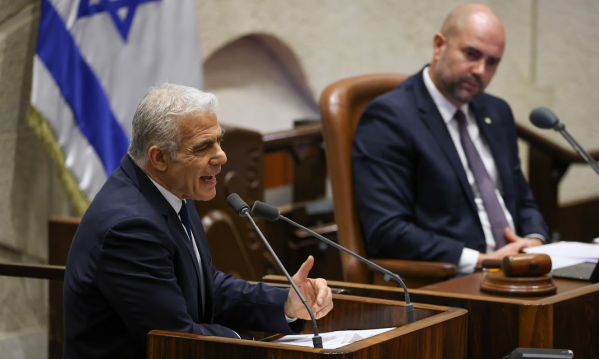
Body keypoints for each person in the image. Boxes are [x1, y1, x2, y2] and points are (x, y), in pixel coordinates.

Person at [63, 84, 333, 359]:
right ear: (159, 157)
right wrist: (249, 344)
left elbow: (204, 286)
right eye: (204, 147)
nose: (222, 157)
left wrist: (287, 304)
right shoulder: (131, 227)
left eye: (219, 141)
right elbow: (176, 339)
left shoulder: (170, 192)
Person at [352, 3, 548, 274]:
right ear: (439, 46)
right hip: (452, 281)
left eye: (492, 62)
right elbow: (388, 231)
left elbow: (522, 200)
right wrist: (482, 261)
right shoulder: (390, 118)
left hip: (521, 269)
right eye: (472, 54)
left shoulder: (496, 111)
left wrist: (535, 242)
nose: (481, 70)